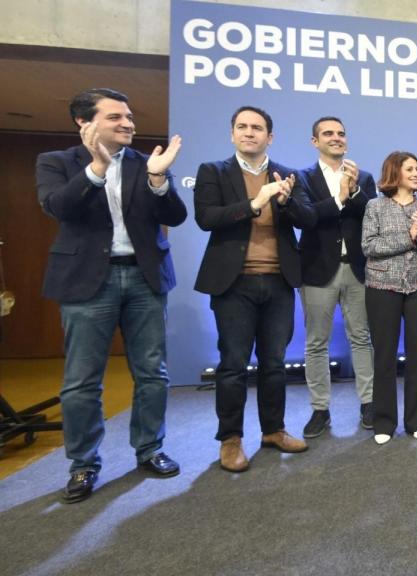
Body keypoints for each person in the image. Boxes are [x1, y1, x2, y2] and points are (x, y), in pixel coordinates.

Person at [36, 88, 187, 503]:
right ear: (84, 123)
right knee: (82, 382)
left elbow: (175, 215)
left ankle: (150, 449)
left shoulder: (146, 162)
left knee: (152, 373)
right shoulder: (56, 162)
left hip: (145, 278)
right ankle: (83, 464)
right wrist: (97, 169)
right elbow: (58, 207)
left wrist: (159, 181)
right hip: (87, 282)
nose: (128, 124)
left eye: (130, 117)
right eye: (116, 117)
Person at [194, 105, 316, 472]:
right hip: (233, 284)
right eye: (242, 127)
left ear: (270, 137)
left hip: (279, 282)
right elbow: (206, 218)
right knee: (233, 365)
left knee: (275, 364)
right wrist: (255, 203)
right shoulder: (213, 172)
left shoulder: (289, 175)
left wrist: (286, 201)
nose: (250, 133)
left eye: (258, 128)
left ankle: (273, 430)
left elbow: (308, 219)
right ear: (232, 133)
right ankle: (230, 439)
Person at [297, 116, 377, 437]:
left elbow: (372, 215)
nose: (336, 138)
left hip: (358, 269)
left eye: (341, 133)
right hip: (317, 270)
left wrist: (354, 191)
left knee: (362, 338)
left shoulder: (364, 176)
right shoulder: (301, 177)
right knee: (316, 343)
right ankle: (320, 410)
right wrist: (339, 198)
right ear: (315, 141)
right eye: (328, 133)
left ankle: (369, 404)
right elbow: (306, 216)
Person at [361, 151, 417, 444]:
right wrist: (409, 234)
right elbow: (369, 246)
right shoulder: (375, 207)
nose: (416, 173)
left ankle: (416, 420)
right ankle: (383, 422)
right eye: (410, 169)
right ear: (394, 172)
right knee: (384, 356)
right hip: (382, 287)